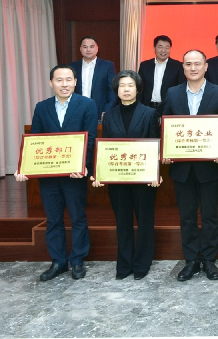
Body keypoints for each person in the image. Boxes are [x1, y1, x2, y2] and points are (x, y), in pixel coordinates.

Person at [16, 65, 98, 281]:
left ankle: (77, 260)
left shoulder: (87, 104)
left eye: (68, 79)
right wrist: (24, 168)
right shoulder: (42, 107)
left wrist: (83, 165)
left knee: (78, 217)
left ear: (75, 82)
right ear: (51, 83)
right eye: (59, 80)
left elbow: (90, 139)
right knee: (53, 220)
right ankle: (58, 261)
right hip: (49, 176)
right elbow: (35, 141)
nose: (64, 84)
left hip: (74, 175)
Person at [163, 50, 218, 281]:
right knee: (187, 217)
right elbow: (166, 126)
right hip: (182, 168)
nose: (193, 68)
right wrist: (166, 150)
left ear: (206, 67)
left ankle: (209, 260)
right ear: (183, 67)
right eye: (188, 64)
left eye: (197, 64)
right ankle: (191, 260)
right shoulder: (172, 93)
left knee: (210, 216)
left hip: (210, 166)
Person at [91, 70, 161, 280]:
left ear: (138, 89)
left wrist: (156, 173)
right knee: (122, 222)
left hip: (144, 178)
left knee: (145, 221)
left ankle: (142, 264)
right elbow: (106, 148)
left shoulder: (150, 113)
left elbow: (155, 145)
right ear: (117, 89)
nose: (126, 89)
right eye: (122, 86)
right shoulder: (109, 116)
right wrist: (99, 173)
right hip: (118, 178)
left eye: (131, 85)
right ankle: (124, 264)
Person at [69, 36, 117, 119]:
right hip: (77, 112)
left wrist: (107, 110)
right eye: (85, 47)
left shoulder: (107, 66)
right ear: (80, 49)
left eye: (91, 47)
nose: (88, 50)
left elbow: (113, 90)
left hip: (100, 112)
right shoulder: (72, 67)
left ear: (97, 48)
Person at [137, 35, 185, 115]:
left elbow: (181, 89)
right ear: (154, 48)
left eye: (167, 47)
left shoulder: (178, 66)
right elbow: (140, 88)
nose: (163, 50)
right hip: (147, 107)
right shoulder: (144, 65)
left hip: (169, 108)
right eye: (160, 47)